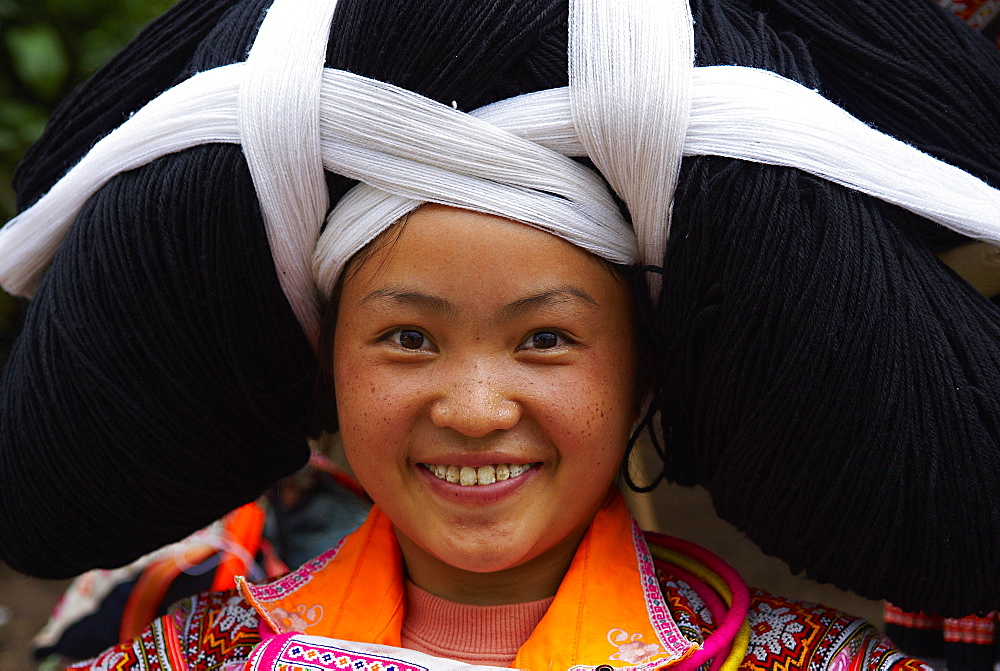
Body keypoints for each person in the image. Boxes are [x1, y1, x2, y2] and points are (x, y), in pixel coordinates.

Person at [1, 0, 999, 668]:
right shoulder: (180, 654)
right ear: (322, 369)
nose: (474, 406)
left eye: (544, 340)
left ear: (645, 371)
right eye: (406, 339)